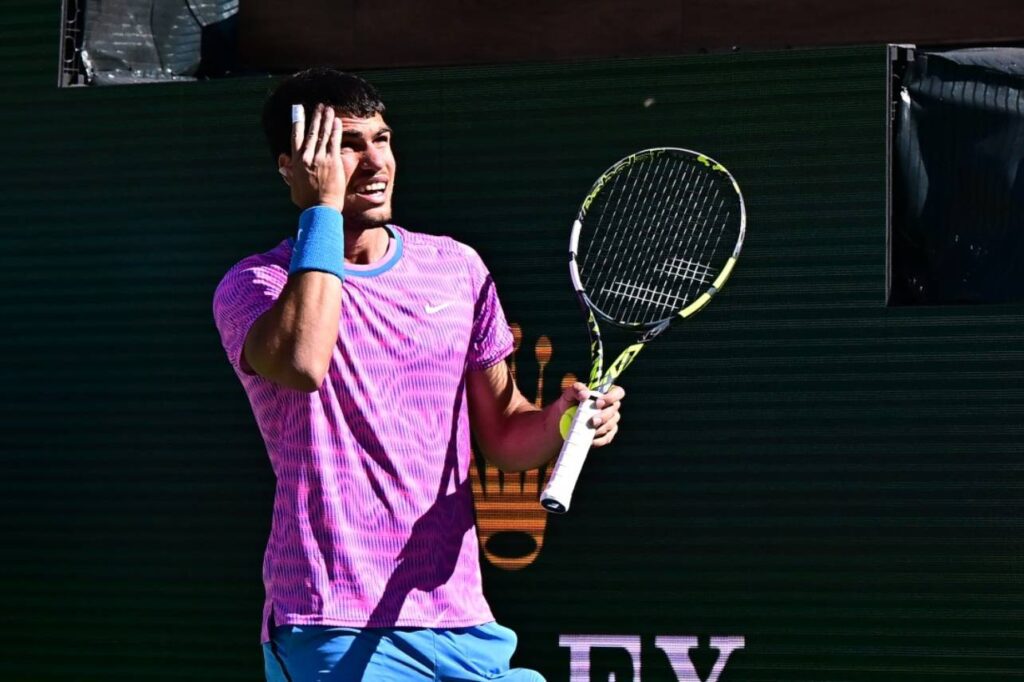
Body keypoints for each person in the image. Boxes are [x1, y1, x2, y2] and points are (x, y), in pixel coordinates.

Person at [212, 67, 625, 682]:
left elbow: (507, 435)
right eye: (346, 145)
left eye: (382, 138)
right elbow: (301, 362)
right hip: (332, 622)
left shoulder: (457, 268)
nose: (375, 161)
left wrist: (565, 421)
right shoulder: (255, 286)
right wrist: (321, 210)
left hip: (461, 622)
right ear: (293, 165)